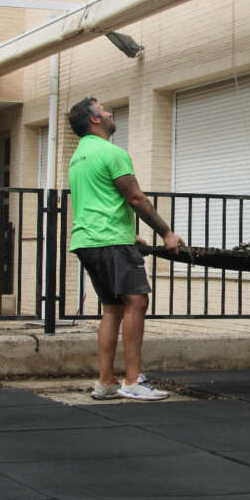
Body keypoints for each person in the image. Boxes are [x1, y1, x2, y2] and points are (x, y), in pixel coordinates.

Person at [67, 97, 184, 401]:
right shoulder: (112, 152)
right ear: (94, 120)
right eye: (103, 109)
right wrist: (166, 233)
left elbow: (98, 201)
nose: (108, 112)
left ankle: (106, 382)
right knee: (137, 302)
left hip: (88, 241)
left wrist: (130, 237)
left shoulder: (78, 157)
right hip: (109, 241)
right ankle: (133, 381)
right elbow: (135, 198)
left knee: (112, 308)